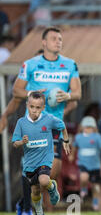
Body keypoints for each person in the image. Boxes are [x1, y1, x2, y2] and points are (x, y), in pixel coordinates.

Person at [13, 27, 81, 189]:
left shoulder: (70, 64)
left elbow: (78, 93)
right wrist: (32, 93)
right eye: (54, 39)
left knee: (53, 171)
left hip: (54, 123)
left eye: (60, 39)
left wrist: (68, 96)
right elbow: (16, 90)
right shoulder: (30, 64)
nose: (58, 42)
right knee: (37, 169)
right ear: (44, 42)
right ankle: (33, 204)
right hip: (34, 123)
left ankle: (38, 198)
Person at [11, 91, 70, 215]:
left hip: (45, 158)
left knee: (43, 180)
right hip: (30, 162)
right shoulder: (21, 123)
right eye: (32, 107)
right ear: (27, 105)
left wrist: (65, 141)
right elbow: (15, 142)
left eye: (38, 108)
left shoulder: (48, 119)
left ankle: (51, 187)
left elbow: (62, 126)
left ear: (43, 108)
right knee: (35, 191)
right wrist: (22, 142)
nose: (34, 110)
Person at [69, 116, 101, 211]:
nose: (88, 129)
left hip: (95, 165)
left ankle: (95, 202)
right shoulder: (78, 137)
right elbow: (74, 146)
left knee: (96, 186)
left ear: (94, 128)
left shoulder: (97, 137)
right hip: (83, 163)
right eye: (86, 127)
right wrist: (72, 155)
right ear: (82, 127)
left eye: (90, 127)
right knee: (83, 177)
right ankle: (84, 189)